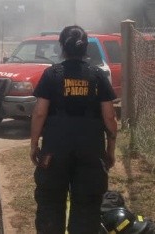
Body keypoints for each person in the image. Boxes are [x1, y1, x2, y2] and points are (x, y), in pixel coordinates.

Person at [29, 25, 118, 234]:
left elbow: (40, 113)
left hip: (55, 150)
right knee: (87, 208)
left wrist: (34, 145)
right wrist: (111, 149)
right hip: (90, 150)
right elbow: (110, 117)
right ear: (85, 47)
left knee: (50, 203)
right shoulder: (97, 76)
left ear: (62, 46)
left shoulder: (51, 75)